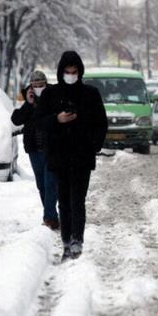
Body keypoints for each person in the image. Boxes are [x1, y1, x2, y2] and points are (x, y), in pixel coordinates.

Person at [35, 51, 107, 260]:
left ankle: (77, 240)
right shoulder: (50, 95)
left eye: (74, 72)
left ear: (80, 72)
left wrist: (94, 145)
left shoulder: (90, 94)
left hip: (82, 156)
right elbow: (40, 122)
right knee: (64, 200)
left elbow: (101, 123)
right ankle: (67, 240)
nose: (70, 75)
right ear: (60, 72)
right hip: (59, 156)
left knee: (78, 200)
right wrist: (57, 119)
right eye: (67, 72)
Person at [11, 70, 59, 230]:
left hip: (52, 147)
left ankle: (48, 218)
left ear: (46, 84)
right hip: (34, 149)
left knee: (50, 183)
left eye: (41, 85)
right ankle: (52, 215)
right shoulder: (26, 97)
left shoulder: (54, 95)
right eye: (35, 85)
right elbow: (16, 119)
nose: (38, 88)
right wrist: (28, 103)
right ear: (31, 86)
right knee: (41, 184)